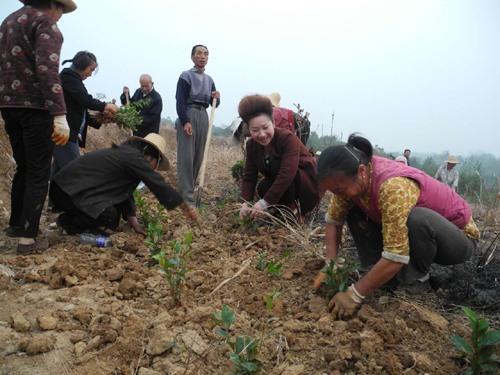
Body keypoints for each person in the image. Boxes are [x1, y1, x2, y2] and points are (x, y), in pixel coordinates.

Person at [313, 134, 479, 320]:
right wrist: (331, 266)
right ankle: (384, 273)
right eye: (333, 191)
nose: (338, 195)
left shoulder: (392, 186)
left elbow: (396, 254)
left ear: (361, 171)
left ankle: (416, 281)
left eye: (340, 190)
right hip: (420, 238)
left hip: (456, 241)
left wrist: (354, 294)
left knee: (417, 218)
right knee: (354, 211)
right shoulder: (348, 179)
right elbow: (334, 221)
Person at [0, 0, 76, 254]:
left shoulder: (9, 21)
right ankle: (27, 239)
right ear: (53, 5)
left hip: (9, 105)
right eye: (61, 11)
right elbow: (47, 70)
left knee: (24, 166)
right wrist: (59, 113)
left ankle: (16, 225)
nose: (61, 16)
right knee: (38, 172)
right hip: (35, 107)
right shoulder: (45, 23)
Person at [49, 133, 201, 235]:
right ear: (149, 157)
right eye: (156, 164)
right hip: (66, 192)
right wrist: (185, 206)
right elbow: (157, 184)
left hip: (68, 189)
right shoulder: (133, 158)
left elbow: (124, 192)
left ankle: (74, 218)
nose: (154, 169)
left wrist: (134, 222)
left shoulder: (129, 155)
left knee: (112, 216)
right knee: (109, 217)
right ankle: (67, 222)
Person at [238, 95, 321, 219]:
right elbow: (250, 176)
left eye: (265, 128)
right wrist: (245, 203)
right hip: (286, 188)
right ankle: (281, 212)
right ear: (249, 130)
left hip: (307, 188)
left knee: (277, 164)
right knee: (263, 187)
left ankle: (294, 214)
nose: (261, 134)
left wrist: (264, 203)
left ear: (273, 123)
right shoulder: (251, 146)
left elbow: (287, 174)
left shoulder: (287, 139)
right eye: (255, 130)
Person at [51, 51, 118, 182]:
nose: (90, 74)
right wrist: (106, 106)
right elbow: (84, 99)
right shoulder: (68, 76)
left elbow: (79, 111)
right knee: (74, 171)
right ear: (82, 65)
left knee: (59, 172)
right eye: (90, 69)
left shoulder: (73, 79)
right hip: (64, 133)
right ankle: (77, 201)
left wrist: (101, 119)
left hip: (69, 133)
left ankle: (55, 202)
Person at [175, 44, 220, 205]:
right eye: (199, 53)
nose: (203, 56)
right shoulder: (186, 76)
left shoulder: (210, 80)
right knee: (186, 155)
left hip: (203, 115)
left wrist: (216, 97)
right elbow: (180, 100)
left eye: (206, 54)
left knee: (198, 155)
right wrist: (185, 121)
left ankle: (190, 192)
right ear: (192, 57)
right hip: (190, 112)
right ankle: (185, 196)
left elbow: (214, 102)